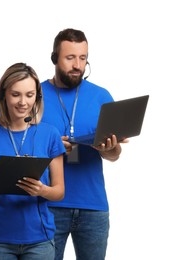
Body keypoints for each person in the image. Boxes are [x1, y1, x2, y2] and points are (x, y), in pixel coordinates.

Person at [41, 28, 127, 260]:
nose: (77, 65)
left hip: (93, 207)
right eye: (70, 58)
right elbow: (20, 147)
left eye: (83, 58)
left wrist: (110, 149)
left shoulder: (101, 96)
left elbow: (114, 154)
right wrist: (51, 149)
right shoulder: (34, 95)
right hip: (49, 205)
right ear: (54, 58)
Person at [0, 62, 66, 259]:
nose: (23, 102)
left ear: (37, 97)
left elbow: (59, 191)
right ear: (3, 95)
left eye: (30, 95)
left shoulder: (50, 134)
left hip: (39, 238)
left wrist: (42, 190)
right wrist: (6, 179)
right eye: (16, 94)